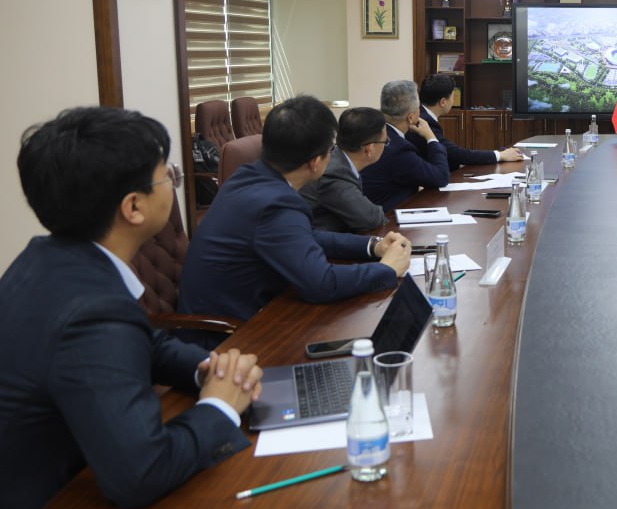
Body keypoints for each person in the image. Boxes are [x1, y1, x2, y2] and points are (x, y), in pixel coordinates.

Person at [0, 106, 263, 509]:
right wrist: (221, 406)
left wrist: (206, 370)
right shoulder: (90, 309)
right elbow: (142, 473)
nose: (172, 181)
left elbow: (143, 342)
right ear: (133, 207)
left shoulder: (47, 258)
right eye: (166, 175)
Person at [180, 95, 410, 335]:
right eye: (331, 149)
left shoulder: (247, 175)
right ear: (315, 162)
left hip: (239, 314)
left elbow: (307, 237)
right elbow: (320, 284)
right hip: (224, 336)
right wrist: (386, 269)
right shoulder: (277, 203)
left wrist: (373, 246)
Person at [360, 80, 451, 210]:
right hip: (386, 217)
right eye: (418, 108)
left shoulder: (372, 131)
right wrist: (431, 137)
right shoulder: (398, 149)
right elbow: (440, 177)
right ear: (411, 117)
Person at [408, 73, 524, 170]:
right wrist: (500, 155)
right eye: (453, 96)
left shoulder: (423, 114)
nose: (453, 100)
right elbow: (455, 153)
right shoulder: (424, 121)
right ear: (443, 102)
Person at [299, 106, 389, 232]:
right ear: (369, 148)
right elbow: (370, 218)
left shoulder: (339, 158)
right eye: (386, 141)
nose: (386, 146)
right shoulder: (334, 174)